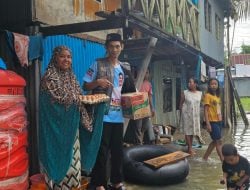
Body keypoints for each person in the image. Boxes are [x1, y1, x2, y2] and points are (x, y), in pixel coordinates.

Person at [83, 33, 135, 190]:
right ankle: (98, 183)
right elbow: (85, 86)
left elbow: (130, 91)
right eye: (111, 46)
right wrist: (97, 82)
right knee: (102, 151)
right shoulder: (98, 64)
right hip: (102, 115)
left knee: (118, 151)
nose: (114, 49)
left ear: (122, 47)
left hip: (119, 116)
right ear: (106, 47)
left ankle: (117, 181)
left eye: (117, 46)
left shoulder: (125, 68)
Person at [39, 46, 92, 189]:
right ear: (55, 57)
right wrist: (76, 102)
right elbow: (51, 107)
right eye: (62, 56)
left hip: (71, 132)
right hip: (54, 133)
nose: (66, 60)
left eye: (69, 57)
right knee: (58, 172)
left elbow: (78, 99)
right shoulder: (49, 77)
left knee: (74, 169)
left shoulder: (72, 77)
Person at [179, 77, 203, 155]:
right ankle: (189, 148)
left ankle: (190, 146)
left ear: (195, 84)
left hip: (195, 116)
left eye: (190, 82)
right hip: (186, 115)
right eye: (188, 82)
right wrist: (181, 115)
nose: (189, 83)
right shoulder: (185, 92)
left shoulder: (200, 93)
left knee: (192, 131)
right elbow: (181, 104)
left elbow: (200, 104)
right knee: (187, 131)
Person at [202, 78, 224, 161]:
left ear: (218, 86)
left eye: (215, 84)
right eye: (212, 84)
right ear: (209, 85)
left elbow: (218, 109)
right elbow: (206, 110)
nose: (214, 85)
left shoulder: (217, 96)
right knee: (218, 141)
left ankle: (205, 157)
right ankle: (223, 161)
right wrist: (207, 124)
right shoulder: (207, 95)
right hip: (212, 121)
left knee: (215, 141)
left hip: (219, 121)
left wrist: (221, 119)